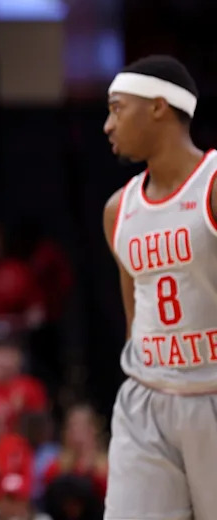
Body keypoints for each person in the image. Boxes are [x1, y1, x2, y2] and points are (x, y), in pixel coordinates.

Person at [101, 55, 217, 520]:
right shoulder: (118, 209)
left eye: (116, 108)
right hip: (147, 397)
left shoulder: (211, 184)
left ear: (157, 107)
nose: (108, 126)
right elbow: (135, 316)